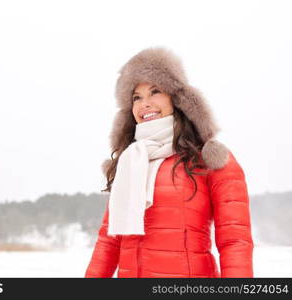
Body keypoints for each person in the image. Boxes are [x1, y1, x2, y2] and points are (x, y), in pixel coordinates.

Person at [84, 47, 254, 278]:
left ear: (176, 98)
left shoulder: (208, 158)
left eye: (155, 91)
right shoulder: (130, 162)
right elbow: (108, 242)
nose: (145, 103)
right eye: (136, 97)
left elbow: (235, 240)